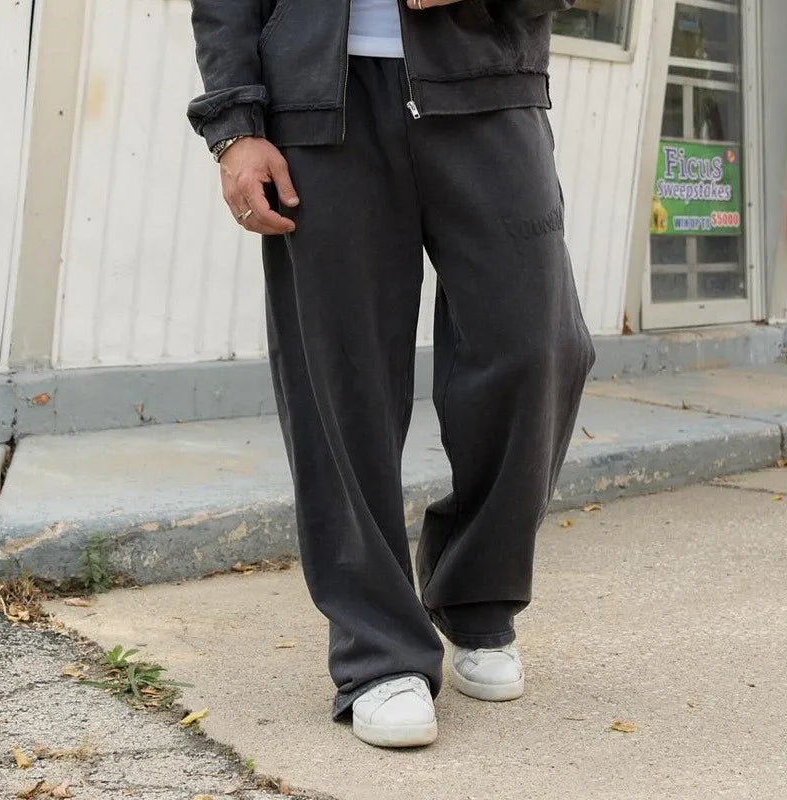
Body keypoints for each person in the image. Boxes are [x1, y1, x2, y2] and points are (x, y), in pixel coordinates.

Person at [188, 0, 593, 749]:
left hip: (487, 85)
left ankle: (477, 596)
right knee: (341, 379)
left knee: (537, 345)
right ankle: (377, 651)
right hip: (318, 103)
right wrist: (234, 127)